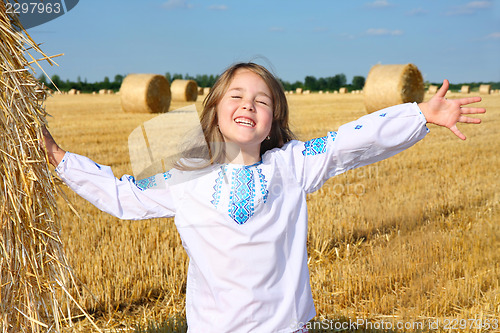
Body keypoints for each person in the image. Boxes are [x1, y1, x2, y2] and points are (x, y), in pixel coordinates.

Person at [42, 62, 485, 333]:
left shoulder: (290, 165)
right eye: (236, 95)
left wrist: (419, 114)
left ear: (273, 122)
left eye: (262, 101)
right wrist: (60, 157)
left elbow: (348, 142)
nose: (248, 104)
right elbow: (123, 196)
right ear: (213, 111)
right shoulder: (184, 178)